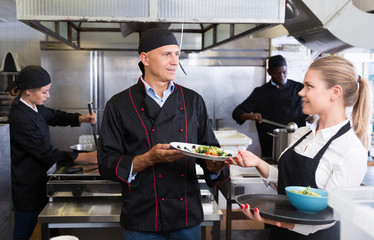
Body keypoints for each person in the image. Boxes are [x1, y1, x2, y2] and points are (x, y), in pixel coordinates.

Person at [97, 28, 229, 240]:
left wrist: (214, 167)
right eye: (166, 54)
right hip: (142, 216)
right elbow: (106, 162)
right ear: (145, 58)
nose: (175, 61)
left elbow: (210, 151)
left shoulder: (193, 101)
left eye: (177, 54)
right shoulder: (119, 104)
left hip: (185, 216)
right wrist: (147, 159)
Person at [228, 55, 373, 239]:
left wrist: (275, 221)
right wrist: (258, 163)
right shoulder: (301, 134)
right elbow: (291, 186)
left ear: (335, 92)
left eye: (309, 86)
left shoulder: (351, 150)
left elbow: (328, 216)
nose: (300, 92)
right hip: (281, 234)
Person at [6, 65, 98, 240]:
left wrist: (81, 118)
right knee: (23, 233)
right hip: (28, 188)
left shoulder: (34, 106)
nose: (48, 96)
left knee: (51, 227)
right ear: (28, 91)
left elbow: (55, 116)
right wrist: (86, 157)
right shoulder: (20, 118)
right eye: (44, 92)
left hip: (42, 179)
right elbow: (46, 153)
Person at [232, 55, 307, 158]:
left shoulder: (299, 88)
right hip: (271, 147)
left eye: (284, 72)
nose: (281, 77)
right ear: (269, 72)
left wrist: (314, 117)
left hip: (298, 144)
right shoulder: (260, 92)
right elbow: (237, 113)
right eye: (277, 73)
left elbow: (316, 106)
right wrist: (250, 116)